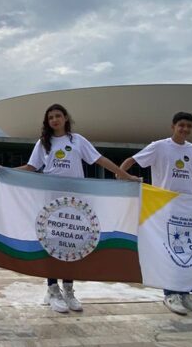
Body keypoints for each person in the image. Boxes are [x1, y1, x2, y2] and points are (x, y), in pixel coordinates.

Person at [16, 104, 139, 313]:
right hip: (51, 203)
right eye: (51, 117)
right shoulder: (43, 143)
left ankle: (69, 289)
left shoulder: (77, 140)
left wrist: (125, 176)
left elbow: (99, 159)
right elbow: (31, 167)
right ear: (47, 122)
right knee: (52, 243)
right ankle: (53, 289)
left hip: (75, 203)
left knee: (71, 242)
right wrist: (3, 171)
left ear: (65, 118)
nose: (54, 120)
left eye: (58, 116)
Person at [119, 111, 192, 316]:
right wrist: (122, 174)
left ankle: (185, 292)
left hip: (188, 206)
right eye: (181, 125)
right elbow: (133, 160)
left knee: (187, 250)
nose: (184, 129)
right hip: (165, 206)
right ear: (173, 126)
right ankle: (170, 294)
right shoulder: (159, 146)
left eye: (188, 126)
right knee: (169, 250)